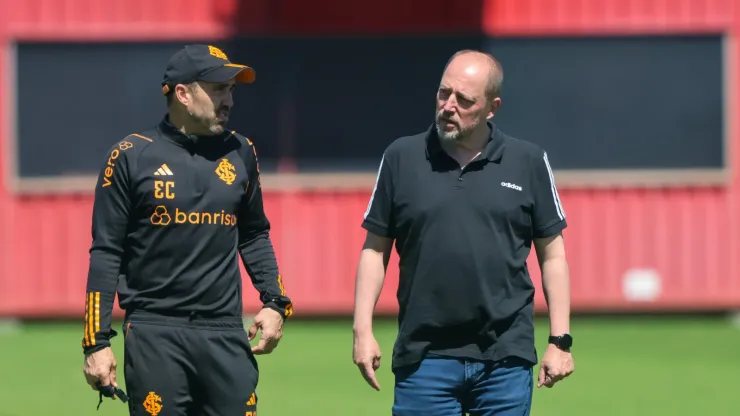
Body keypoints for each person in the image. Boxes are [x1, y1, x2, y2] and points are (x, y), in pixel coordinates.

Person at [352, 49, 575, 415]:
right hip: (423, 357)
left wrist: (560, 341)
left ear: (492, 107)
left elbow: (553, 255)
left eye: (465, 99)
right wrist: (362, 330)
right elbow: (375, 249)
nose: (449, 106)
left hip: (505, 358)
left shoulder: (529, 161)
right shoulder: (401, 157)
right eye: (444, 93)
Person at [81, 44, 293, 415]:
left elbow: (255, 233)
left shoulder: (242, 152)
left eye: (231, 90)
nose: (228, 100)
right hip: (154, 334)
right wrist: (95, 343)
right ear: (182, 93)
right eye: (217, 89)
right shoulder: (130, 156)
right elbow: (106, 252)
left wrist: (276, 303)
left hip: (226, 333)